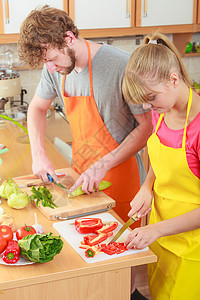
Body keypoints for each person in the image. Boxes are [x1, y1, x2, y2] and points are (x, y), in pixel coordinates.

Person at [18, 6, 152, 299]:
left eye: (52, 59)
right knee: (85, 264)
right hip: (81, 179)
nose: (50, 68)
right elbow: (37, 108)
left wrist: (103, 164)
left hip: (122, 181)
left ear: (68, 37)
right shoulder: (55, 67)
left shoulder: (121, 65)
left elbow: (147, 127)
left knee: (118, 270)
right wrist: (38, 154)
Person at [122, 31, 200, 299]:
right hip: (161, 237)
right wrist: (147, 185)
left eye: (151, 97)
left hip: (193, 249)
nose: (149, 107)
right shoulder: (161, 112)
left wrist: (155, 229)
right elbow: (161, 158)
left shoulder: (198, 128)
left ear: (173, 79)